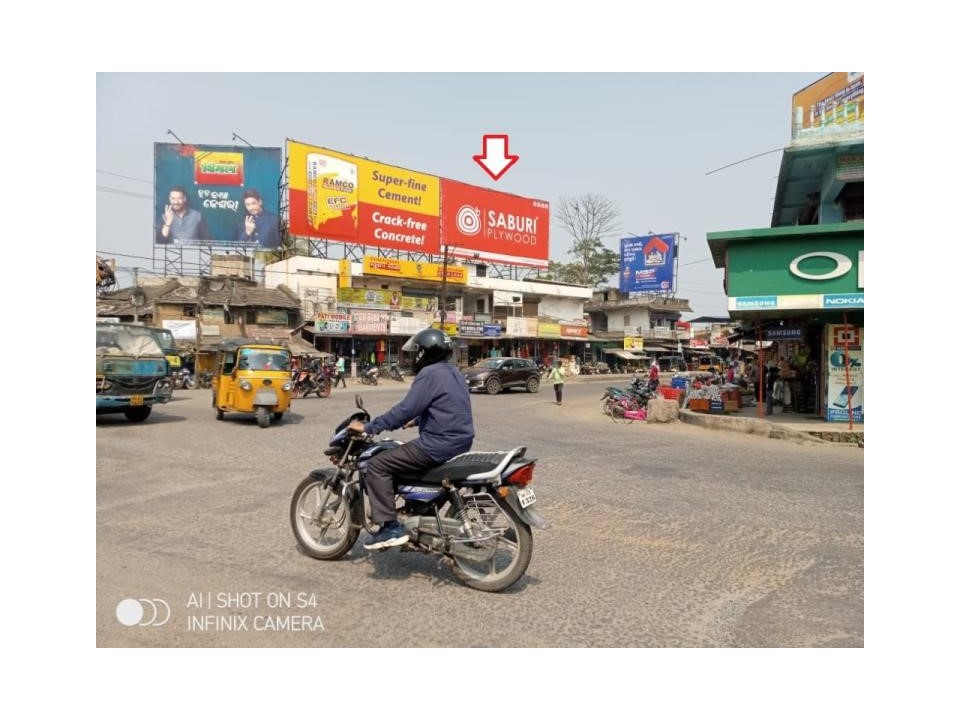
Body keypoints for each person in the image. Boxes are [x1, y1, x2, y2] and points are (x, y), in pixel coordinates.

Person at [348, 329, 474, 550]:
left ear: (423, 352)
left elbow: (404, 409)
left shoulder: (429, 374)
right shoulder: (454, 372)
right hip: (460, 441)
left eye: (414, 352)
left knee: (378, 464)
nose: (411, 357)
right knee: (404, 460)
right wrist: (417, 421)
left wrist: (370, 427)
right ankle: (418, 510)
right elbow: (447, 408)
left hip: (438, 444)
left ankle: (390, 527)